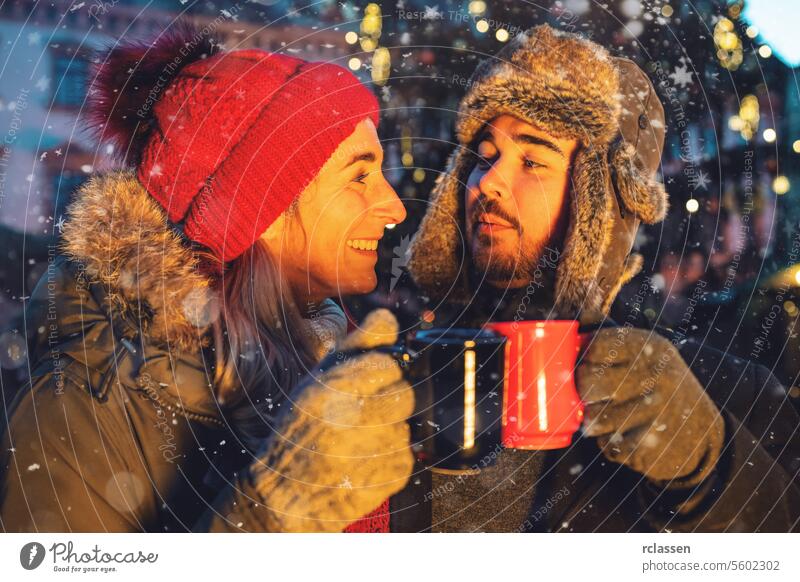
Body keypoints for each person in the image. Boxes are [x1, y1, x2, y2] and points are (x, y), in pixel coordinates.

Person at [0, 26, 414, 532]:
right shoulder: (81, 410)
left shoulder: (326, 355)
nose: (394, 207)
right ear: (264, 207)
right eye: (358, 176)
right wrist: (273, 515)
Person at [402, 24, 800, 532]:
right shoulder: (401, 376)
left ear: (600, 206)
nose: (490, 181)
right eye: (484, 156)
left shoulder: (720, 391)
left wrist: (709, 467)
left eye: (531, 160)